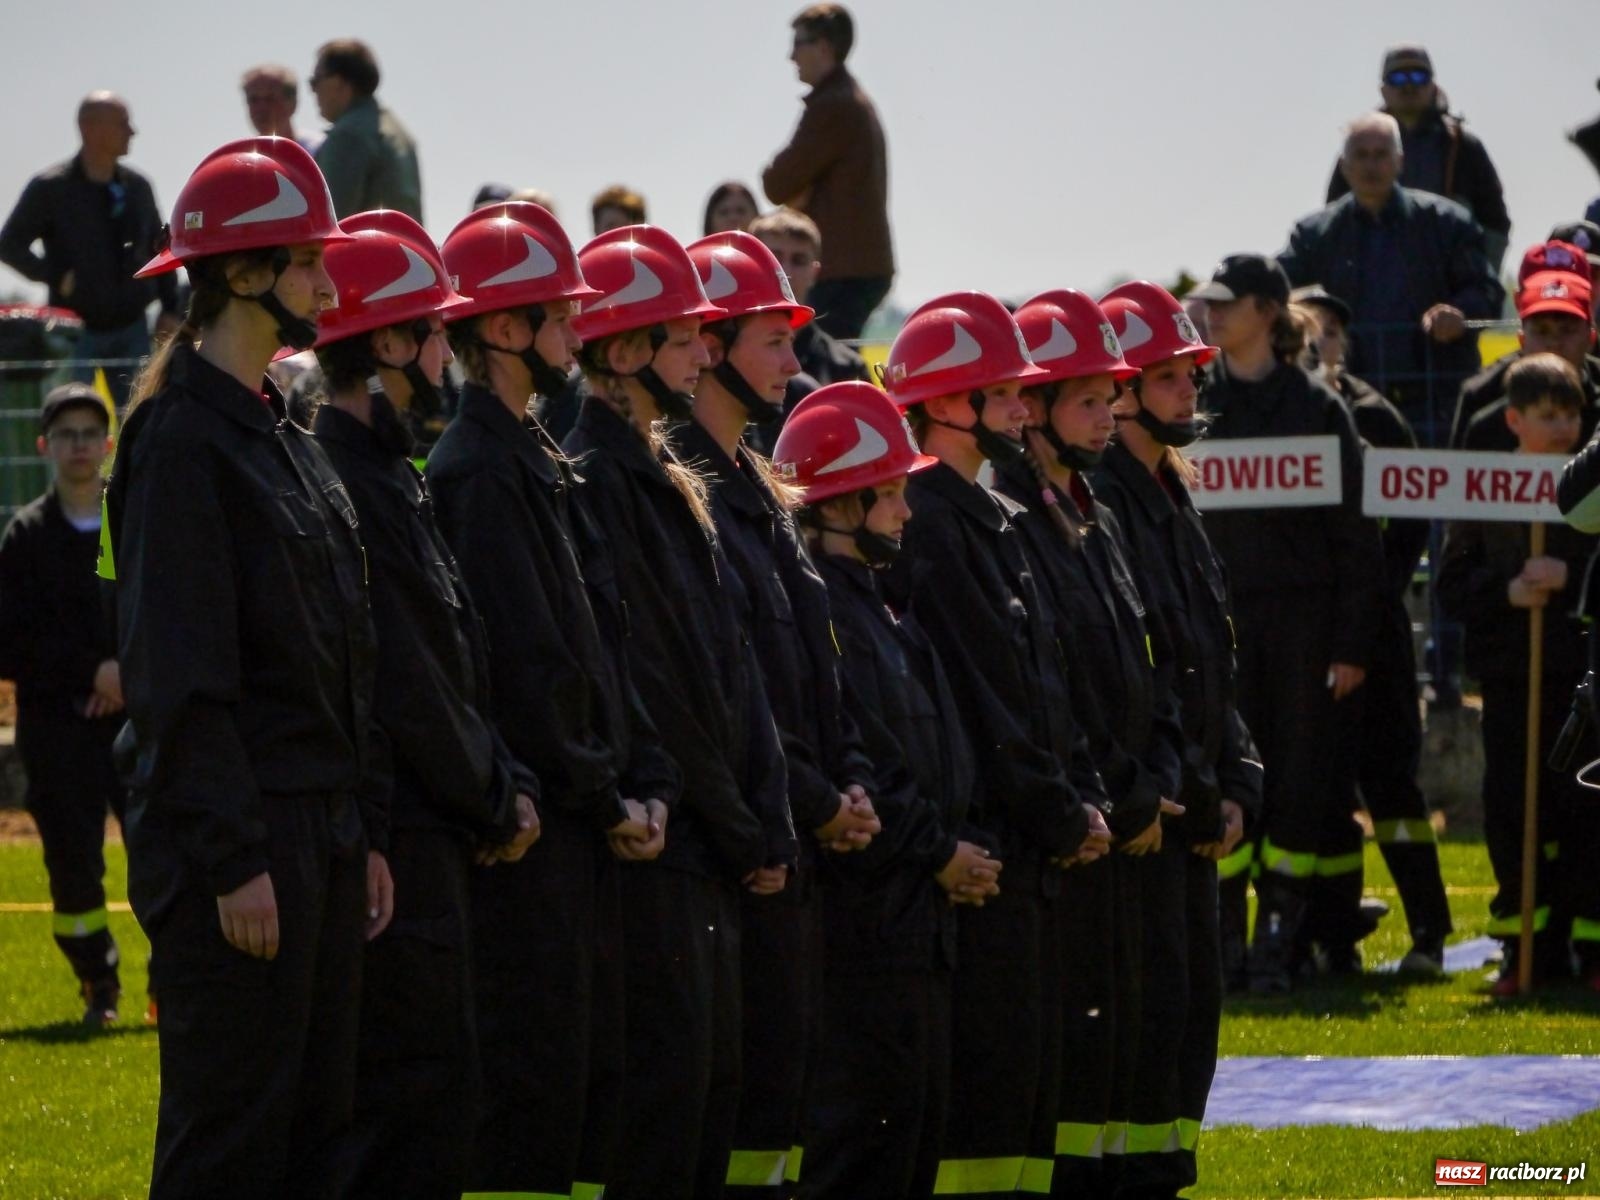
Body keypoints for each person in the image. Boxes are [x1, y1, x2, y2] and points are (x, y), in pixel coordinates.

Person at [100, 136, 390, 1199]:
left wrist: (354, 829)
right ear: (242, 272)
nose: (327, 281)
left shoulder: (278, 429)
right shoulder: (180, 441)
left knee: (318, 1142)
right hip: (244, 846)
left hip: (315, 833)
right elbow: (181, 676)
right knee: (233, 1144)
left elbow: (334, 654)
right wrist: (232, 858)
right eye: (307, 259)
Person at [426, 202, 674, 1198]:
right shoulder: (477, 473)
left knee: (587, 1095)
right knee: (533, 1102)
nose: (579, 328)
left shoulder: (534, 460)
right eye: (556, 312)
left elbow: (601, 648)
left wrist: (636, 780)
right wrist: (603, 793)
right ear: (501, 329)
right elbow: (526, 667)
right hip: (546, 841)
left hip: (588, 823)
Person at [303, 210, 542, 1199]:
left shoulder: (388, 480)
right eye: (436, 332)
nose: (447, 353)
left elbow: (459, 665)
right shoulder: (352, 487)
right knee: (405, 1114)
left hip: (437, 838)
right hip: (402, 848)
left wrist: (500, 782)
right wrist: (497, 799)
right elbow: (406, 681)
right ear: (390, 344)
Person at [563, 224, 794, 1199]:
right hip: (667, 855)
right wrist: (742, 829)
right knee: (660, 1114)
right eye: (681, 337)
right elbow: (654, 682)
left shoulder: (663, 479)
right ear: (622, 353)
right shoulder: (599, 479)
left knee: (708, 1102)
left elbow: (725, 672)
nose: (704, 353)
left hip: (709, 845)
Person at [884, 290, 1112, 1198]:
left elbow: (1047, 681)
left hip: (1028, 839)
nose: (1025, 408)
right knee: (989, 1103)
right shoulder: (933, 523)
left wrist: (1076, 796)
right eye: (1006, 393)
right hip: (992, 849)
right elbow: (987, 698)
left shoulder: (988, 516)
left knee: (1025, 1102)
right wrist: (1062, 813)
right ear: (948, 404)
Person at [677, 231, 880, 1197]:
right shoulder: (686, 492)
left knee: (785, 1116)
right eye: (772, 340)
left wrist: (842, 785)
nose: (795, 366)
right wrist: (804, 800)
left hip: (794, 838)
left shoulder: (756, 480)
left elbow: (812, 659)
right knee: (739, 1112)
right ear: (708, 346)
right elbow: (724, 688)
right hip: (742, 852)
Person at [773, 381, 996, 1199]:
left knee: (912, 1145)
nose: (907, 512)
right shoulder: (827, 611)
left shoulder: (881, 610)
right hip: (867, 933)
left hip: (915, 927)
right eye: (893, 494)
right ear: (840, 503)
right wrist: (937, 853)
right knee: (861, 1154)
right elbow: (864, 753)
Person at [996, 287, 1186, 1200]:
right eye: (1086, 400)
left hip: (1125, 818)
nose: (1108, 416)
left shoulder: (1090, 514)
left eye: (1112, 398)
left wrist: (1158, 780)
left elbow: (1146, 659)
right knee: (1076, 1063)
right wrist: (1119, 797)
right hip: (1081, 832)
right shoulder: (1018, 521)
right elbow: (1051, 688)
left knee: (1128, 1049)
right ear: (1028, 408)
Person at [1093, 280, 1262, 1190]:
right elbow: (1138, 676)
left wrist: (1237, 776)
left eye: (1191, 375)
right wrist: (1190, 787)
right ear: (1119, 393)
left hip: (1196, 804)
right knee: (1147, 1015)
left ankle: (1166, 1173)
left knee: (1192, 1009)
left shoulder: (1173, 498)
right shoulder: (1106, 507)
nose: (1188, 394)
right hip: (1148, 814)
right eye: (1166, 379)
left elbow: (1212, 654)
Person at [1188, 253, 1384, 991]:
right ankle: (1226, 941)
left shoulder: (1315, 406)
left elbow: (1354, 537)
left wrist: (1351, 645)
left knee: (1298, 781)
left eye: (1226, 304)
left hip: (1304, 623)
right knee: (1228, 780)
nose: (1211, 315)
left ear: (1267, 312)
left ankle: (1280, 940)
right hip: (1224, 624)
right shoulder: (1198, 403)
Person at [1295, 286, 1453, 974]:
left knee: (1391, 785)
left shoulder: (1371, 416)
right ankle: (1329, 936)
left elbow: (1414, 514)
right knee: (1318, 789)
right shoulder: (1275, 417)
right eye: (1304, 332)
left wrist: (1374, 590)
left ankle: (1429, 932)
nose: (1314, 345)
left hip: (1375, 629)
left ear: (1343, 343)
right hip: (1303, 633)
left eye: (1326, 333)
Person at [1441, 353, 1600, 993]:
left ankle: (1590, 949)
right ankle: (1523, 950)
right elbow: (1452, 581)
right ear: (1514, 420)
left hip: (1579, 678)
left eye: (1572, 415)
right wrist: (1506, 590)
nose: (1563, 428)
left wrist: (1569, 580)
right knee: (1515, 811)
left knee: (1585, 813)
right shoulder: (1484, 490)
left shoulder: (1587, 489)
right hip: (1510, 679)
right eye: (1547, 416)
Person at [0, 383, 125, 1025]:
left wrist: (126, 674)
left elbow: (165, 610)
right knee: (73, 872)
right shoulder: (24, 538)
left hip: (138, 722)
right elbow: (12, 643)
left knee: (168, 858)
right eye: (67, 434)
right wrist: (92, 674)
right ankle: (97, 984)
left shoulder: (132, 523)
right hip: (57, 729)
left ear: (108, 445)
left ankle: (174, 984)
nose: (80, 445)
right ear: (47, 445)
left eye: (91, 433)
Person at [1280, 111, 1503, 445]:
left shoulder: (1449, 224)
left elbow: (1487, 290)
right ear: (1344, 166)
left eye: (1381, 154)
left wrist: (1459, 312)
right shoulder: (1313, 234)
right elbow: (1279, 295)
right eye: (1361, 155)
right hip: (1347, 400)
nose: (1372, 165)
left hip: (1435, 405)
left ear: (1400, 161)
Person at [0, 93, 180, 407]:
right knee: (71, 412)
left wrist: (170, 307)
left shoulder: (137, 187)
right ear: (90, 128)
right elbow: (9, 245)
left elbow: (159, 247)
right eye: (123, 123)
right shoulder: (51, 188)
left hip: (132, 325)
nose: (132, 131)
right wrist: (55, 277)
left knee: (140, 415)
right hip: (74, 330)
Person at [762, 3, 893, 340]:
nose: (792, 56)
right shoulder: (849, 101)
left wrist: (796, 194)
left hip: (840, 271)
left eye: (798, 44)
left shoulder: (832, 106)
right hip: (854, 267)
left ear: (823, 48)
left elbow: (777, 184)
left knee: (822, 370)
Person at [1324, 45, 1510, 269]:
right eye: (1398, 78)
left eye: (1418, 76)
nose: (1409, 85)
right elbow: (1333, 217)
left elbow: (1495, 223)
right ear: (1383, 90)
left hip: (1446, 280)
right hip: (1374, 275)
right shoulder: (1360, 145)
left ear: (1433, 85)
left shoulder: (1463, 147)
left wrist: (1477, 278)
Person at [1451, 244, 1600, 451]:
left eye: (1567, 330)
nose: (1554, 343)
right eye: (1542, 331)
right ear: (1522, 338)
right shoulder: (1482, 398)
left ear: (1591, 337)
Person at [311, 39, 422, 222]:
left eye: (315, 81)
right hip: (405, 249)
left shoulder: (348, 135)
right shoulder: (398, 132)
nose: (314, 91)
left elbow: (329, 222)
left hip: (366, 249)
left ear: (339, 82)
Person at [240, 65, 322, 155]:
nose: (261, 108)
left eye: (270, 99)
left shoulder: (317, 151)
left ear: (292, 103)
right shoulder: (243, 159)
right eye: (253, 100)